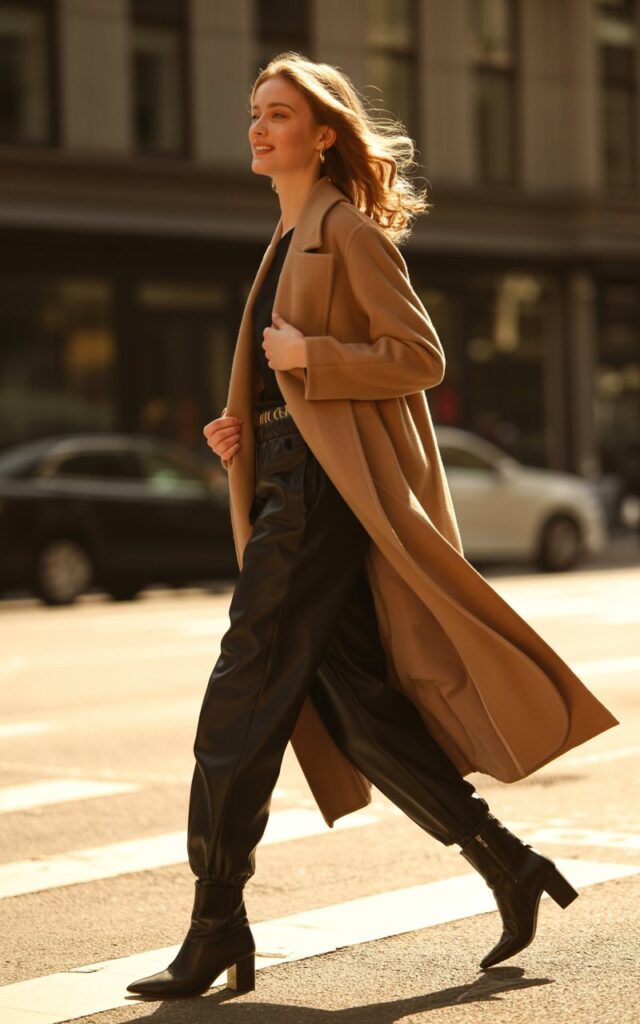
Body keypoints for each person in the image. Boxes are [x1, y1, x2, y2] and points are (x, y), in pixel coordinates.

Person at [127, 52, 616, 1000]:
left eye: (279, 114)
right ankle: (506, 861)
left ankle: (216, 919)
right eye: (254, 113)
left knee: (241, 695)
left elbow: (418, 358)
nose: (259, 127)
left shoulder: (344, 229)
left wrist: (311, 355)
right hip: (290, 484)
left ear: (323, 135)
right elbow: (296, 388)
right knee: (355, 709)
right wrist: (252, 423)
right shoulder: (284, 236)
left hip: (322, 500)